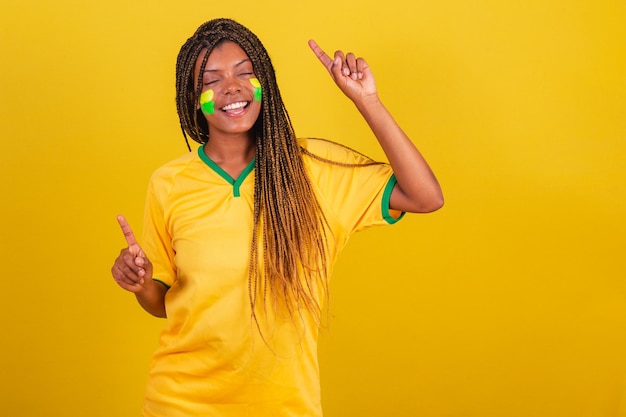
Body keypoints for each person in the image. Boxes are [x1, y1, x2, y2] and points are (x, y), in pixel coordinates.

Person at [111, 17, 443, 417]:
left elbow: (425, 196)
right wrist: (141, 283)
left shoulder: (315, 170)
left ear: (263, 83)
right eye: (211, 80)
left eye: (245, 74)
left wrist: (366, 100)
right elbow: (164, 304)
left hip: (284, 407)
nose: (231, 88)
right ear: (193, 98)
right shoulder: (169, 182)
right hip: (179, 404)